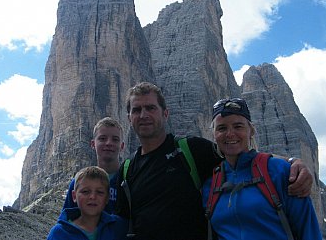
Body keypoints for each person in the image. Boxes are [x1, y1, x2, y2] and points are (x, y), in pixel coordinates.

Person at [115, 81, 313, 240]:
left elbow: (242, 156)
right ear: (129, 117)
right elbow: (121, 224)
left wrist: (292, 162)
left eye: (151, 108)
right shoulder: (127, 170)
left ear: (165, 114)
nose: (143, 115)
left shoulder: (191, 150)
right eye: (136, 110)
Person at [202, 98, 321, 239]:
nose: (230, 133)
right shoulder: (211, 185)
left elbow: (308, 231)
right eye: (222, 128)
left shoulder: (281, 172)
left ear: (251, 130)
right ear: (214, 135)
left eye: (238, 126)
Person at [47, 166, 128, 240]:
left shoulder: (119, 227)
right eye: (85, 191)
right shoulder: (59, 233)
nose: (92, 197)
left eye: (99, 192)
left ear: (107, 198)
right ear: (74, 196)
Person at [63, 117, 124, 214]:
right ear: (93, 144)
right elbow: (67, 221)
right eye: (102, 139)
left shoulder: (129, 181)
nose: (109, 143)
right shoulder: (79, 182)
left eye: (115, 139)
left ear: (122, 146)